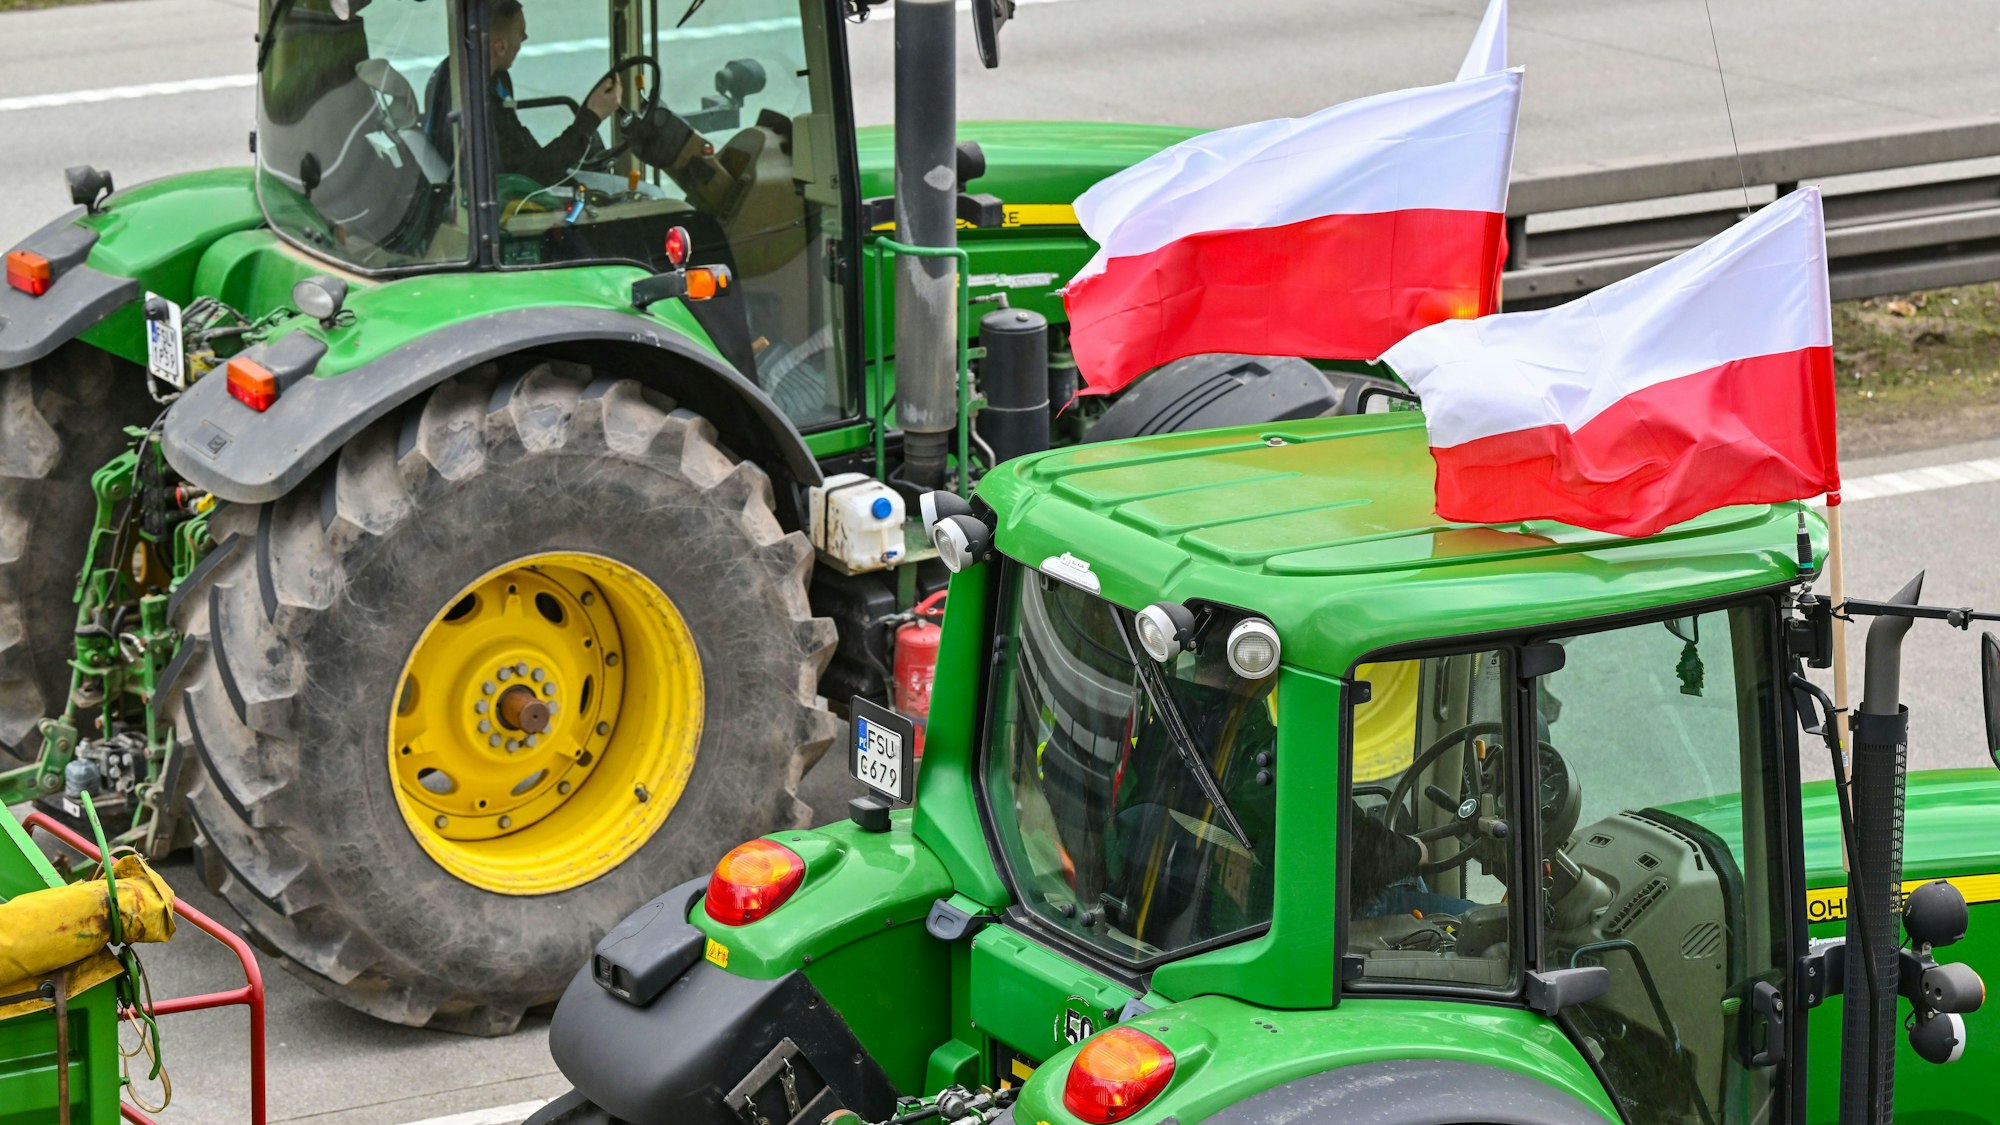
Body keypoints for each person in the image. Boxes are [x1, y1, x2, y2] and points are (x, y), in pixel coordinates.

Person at [423, 0, 623, 186]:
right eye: (520, 33)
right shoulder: (478, 107)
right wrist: (591, 118)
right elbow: (530, 177)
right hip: (519, 196)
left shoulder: (457, 73)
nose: (525, 37)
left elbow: (521, 151)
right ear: (500, 47)